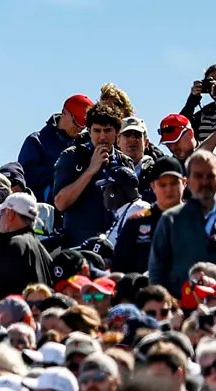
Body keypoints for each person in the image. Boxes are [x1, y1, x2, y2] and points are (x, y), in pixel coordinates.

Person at [150, 150, 216, 294]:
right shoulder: (171, 219)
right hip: (183, 307)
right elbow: (157, 271)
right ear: (188, 180)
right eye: (198, 176)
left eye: (211, 175)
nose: (205, 182)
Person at [52, 103, 137, 246]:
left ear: (116, 132)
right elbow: (60, 203)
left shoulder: (125, 162)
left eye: (107, 130)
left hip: (114, 247)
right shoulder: (72, 156)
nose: (102, 137)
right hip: (79, 247)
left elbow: (132, 205)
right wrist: (91, 169)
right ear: (89, 132)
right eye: (97, 131)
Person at [109, 155, 184, 273]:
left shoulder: (197, 218)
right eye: (163, 184)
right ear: (153, 186)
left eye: (174, 183)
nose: (169, 189)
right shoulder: (136, 222)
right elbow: (119, 268)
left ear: (184, 183)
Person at [20, 93, 92, 201]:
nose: (80, 128)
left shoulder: (85, 144)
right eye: (77, 122)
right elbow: (26, 178)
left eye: (84, 126)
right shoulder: (36, 141)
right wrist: (62, 166)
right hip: (43, 213)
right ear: (64, 113)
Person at [0, 192, 53, 298]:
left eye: (2, 214)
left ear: (11, 214)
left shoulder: (15, 245)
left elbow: (3, 291)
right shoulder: (40, 247)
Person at [181, 62, 216, 141]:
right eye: (212, 83)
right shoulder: (205, 112)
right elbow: (180, 127)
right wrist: (192, 101)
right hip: (204, 152)